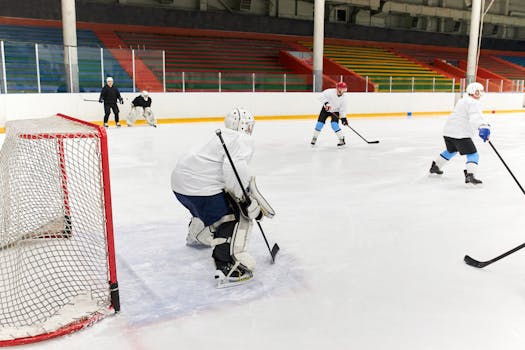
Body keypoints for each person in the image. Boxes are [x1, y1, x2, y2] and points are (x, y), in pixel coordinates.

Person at [170, 107, 274, 288]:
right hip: (200, 188)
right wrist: (243, 200)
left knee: (209, 206)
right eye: (248, 126)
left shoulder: (219, 136)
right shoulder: (241, 139)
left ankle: (197, 236)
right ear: (241, 126)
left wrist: (241, 195)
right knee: (231, 217)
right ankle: (228, 268)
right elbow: (235, 169)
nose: (250, 129)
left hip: (180, 187)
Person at [429, 82, 491, 185]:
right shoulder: (473, 102)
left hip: (448, 132)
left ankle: (436, 166)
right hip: (460, 134)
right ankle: (470, 175)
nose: (480, 93)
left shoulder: (462, 101)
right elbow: (475, 116)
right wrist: (483, 127)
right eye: (479, 91)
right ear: (474, 92)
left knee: (452, 150)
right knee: (473, 154)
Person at [310, 81, 348, 147]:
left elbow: (342, 109)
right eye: (342, 88)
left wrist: (343, 118)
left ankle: (341, 139)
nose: (343, 90)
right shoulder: (329, 92)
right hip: (325, 110)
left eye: (344, 89)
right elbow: (320, 96)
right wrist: (326, 103)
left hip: (335, 111)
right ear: (338, 88)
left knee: (334, 125)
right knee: (319, 124)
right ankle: (314, 138)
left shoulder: (344, 98)